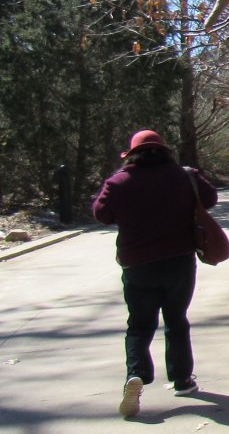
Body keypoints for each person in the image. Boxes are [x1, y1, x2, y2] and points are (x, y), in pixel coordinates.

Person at [92, 130, 217, 418]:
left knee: (139, 324)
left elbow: (101, 213)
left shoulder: (120, 181)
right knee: (176, 319)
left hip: (137, 264)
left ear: (132, 154)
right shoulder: (184, 175)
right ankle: (182, 380)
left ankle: (135, 374)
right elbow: (210, 198)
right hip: (179, 260)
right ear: (164, 151)